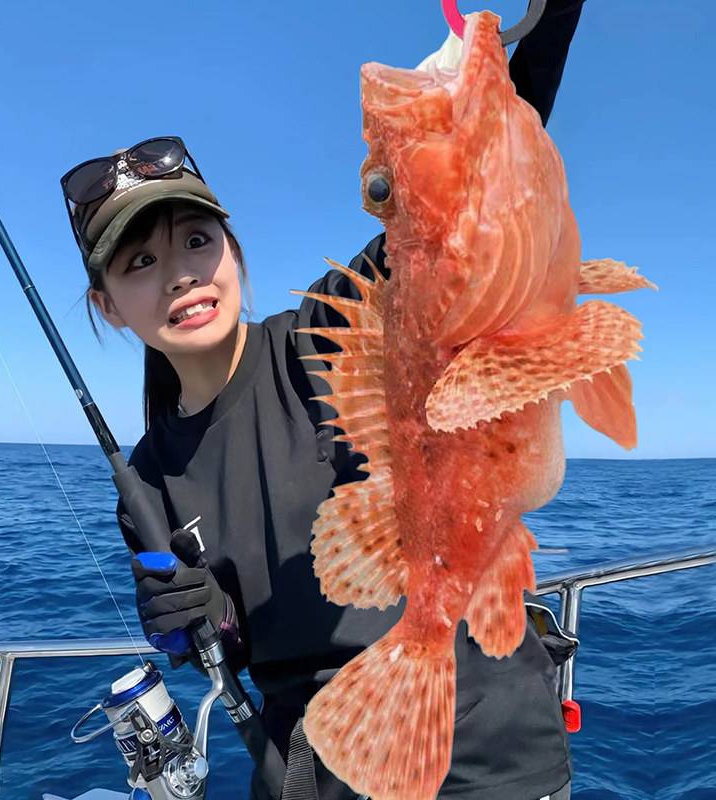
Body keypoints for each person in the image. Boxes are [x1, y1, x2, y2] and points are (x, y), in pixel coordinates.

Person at [62, 3, 586, 798]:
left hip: (483, 753)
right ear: (107, 307)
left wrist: (531, 35)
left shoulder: (333, 326)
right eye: (141, 262)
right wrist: (199, 618)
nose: (181, 275)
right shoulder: (148, 479)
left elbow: (458, 206)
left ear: (234, 251)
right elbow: (227, 645)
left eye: (197, 241)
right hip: (317, 770)